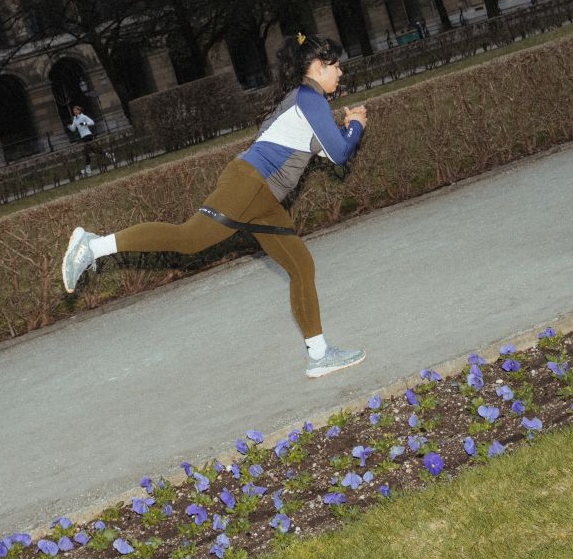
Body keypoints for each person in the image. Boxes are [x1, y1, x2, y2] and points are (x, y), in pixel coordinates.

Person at [60, 33, 369, 379]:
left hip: (262, 195)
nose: (341, 72)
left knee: (300, 265)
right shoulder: (310, 99)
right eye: (336, 66)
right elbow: (340, 154)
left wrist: (346, 130)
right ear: (318, 66)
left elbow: (326, 148)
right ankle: (93, 246)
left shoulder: (303, 99)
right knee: (189, 239)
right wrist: (356, 125)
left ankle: (319, 356)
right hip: (251, 186)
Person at [67, 105, 97, 176]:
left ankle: (88, 168)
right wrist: (69, 126)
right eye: (73, 111)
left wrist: (84, 123)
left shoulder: (83, 117)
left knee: (86, 152)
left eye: (76, 110)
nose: (74, 111)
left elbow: (92, 122)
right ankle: (108, 154)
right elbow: (73, 129)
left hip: (88, 135)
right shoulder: (75, 119)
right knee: (93, 150)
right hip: (83, 137)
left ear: (79, 111)